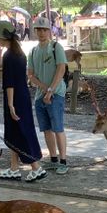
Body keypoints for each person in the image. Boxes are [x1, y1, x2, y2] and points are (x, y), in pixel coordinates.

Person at [0, 21, 45, 182]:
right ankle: (14, 168)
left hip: (15, 98)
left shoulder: (8, 56)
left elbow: (9, 83)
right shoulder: (19, 53)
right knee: (16, 132)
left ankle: (36, 167)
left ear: (3, 38)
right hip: (24, 96)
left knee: (20, 132)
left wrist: (10, 105)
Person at [28, 16, 69, 175]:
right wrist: (45, 90)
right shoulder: (32, 51)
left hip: (56, 94)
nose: (41, 32)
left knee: (58, 127)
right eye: (38, 29)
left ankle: (63, 160)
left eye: (44, 29)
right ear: (35, 31)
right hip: (40, 95)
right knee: (46, 129)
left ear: (49, 31)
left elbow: (61, 69)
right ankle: (53, 159)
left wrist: (51, 90)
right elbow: (30, 75)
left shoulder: (56, 47)